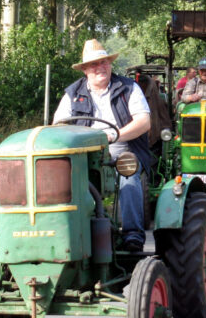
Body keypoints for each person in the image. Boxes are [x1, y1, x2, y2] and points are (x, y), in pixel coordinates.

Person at [53, 39, 152, 252]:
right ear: (85, 70)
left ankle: (133, 235)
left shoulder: (128, 88)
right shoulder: (72, 94)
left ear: (110, 64)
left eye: (104, 62)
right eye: (94, 64)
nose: (100, 67)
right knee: (60, 180)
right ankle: (65, 235)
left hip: (122, 150)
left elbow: (144, 122)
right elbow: (58, 126)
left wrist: (114, 136)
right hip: (83, 153)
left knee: (128, 176)